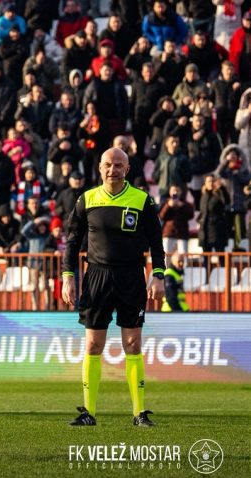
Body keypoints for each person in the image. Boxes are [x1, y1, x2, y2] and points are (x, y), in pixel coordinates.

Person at [62, 148, 165, 428]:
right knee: (93, 344)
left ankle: (139, 413)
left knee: (132, 343)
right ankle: (89, 412)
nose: (113, 170)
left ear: (127, 168)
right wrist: (68, 276)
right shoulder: (87, 199)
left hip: (131, 276)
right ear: (100, 167)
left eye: (118, 165)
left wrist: (158, 275)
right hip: (97, 277)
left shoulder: (142, 200)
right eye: (108, 165)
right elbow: (72, 240)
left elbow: (157, 242)